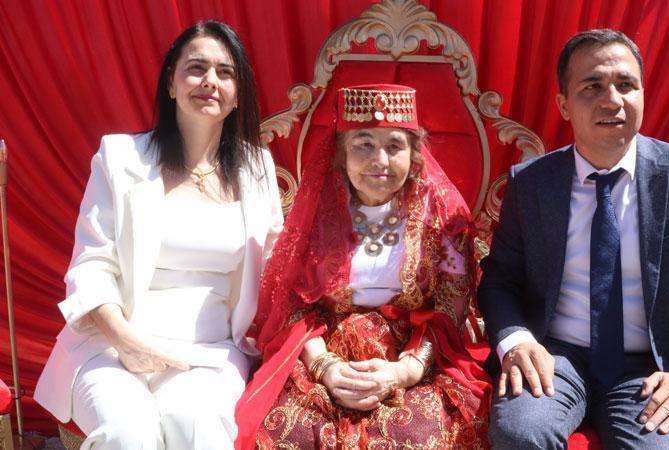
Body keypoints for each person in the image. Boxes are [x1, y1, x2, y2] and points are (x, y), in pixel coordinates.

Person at [478, 29, 669, 449]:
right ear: (563, 104)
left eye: (626, 84)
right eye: (592, 86)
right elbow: (499, 278)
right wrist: (517, 340)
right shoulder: (531, 183)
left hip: (652, 368)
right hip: (555, 355)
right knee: (521, 433)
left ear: (643, 94)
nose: (612, 100)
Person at [33, 21, 284, 450]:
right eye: (196, 68)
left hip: (208, 354)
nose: (210, 81)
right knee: (128, 433)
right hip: (111, 346)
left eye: (225, 72)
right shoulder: (121, 158)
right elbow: (91, 266)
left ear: (238, 93)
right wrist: (126, 341)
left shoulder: (256, 169)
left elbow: (277, 267)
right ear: (171, 82)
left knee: (198, 428)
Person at [233, 84, 491, 449]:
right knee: (290, 433)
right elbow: (293, 305)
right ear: (341, 154)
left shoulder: (443, 216)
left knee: (419, 435)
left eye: (394, 146)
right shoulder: (317, 214)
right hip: (327, 351)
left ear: (415, 153)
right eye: (364, 145)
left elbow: (452, 305)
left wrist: (405, 371)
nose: (380, 160)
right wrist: (326, 368)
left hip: (415, 356)